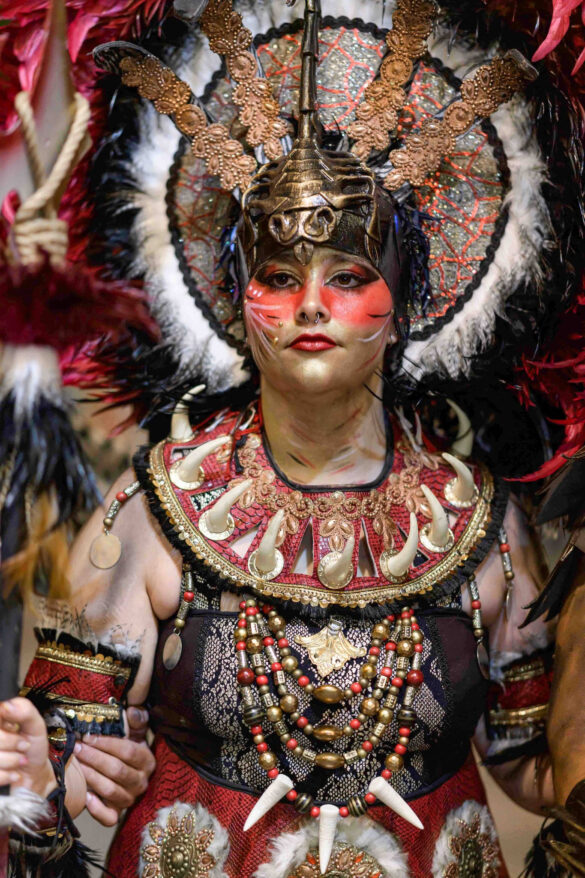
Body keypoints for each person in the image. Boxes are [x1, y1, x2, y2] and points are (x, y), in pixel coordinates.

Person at [1, 0, 580, 874]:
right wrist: (43, 772)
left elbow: (533, 763)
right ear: (237, 303)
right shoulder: (153, 511)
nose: (310, 305)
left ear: (403, 306)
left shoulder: (483, 524)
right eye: (278, 276)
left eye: (347, 276)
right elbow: (67, 763)